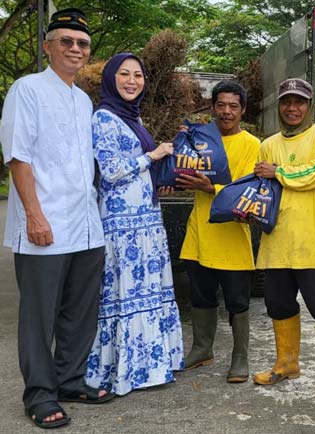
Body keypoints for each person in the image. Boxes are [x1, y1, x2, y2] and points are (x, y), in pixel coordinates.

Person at [0, 8, 114, 429]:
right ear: (48, 46)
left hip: (85, 225)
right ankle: (41, 393)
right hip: (44, 226)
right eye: (65, 41)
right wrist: (34, 215)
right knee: (39, 315)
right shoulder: (26, 90)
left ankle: (70, 379)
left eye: (82, 43)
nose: (75, 48)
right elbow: (17, 156)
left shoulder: (83, 100)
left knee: (79, 311)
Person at [84, 53, 184, 395]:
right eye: (124, 74)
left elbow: (136, 172)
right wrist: (151, 156)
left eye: (137, 75)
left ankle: (149, 368)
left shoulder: (133, 118)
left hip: (146, 220)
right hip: (121, 225)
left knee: (146, 291)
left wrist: (160, 174)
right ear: (111, 78)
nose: (131, 80)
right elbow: (111, 171)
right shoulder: (103, 118)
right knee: (124, 294)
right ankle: (121, 372)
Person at [252, 78, 315, 399]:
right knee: (278, 304)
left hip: (312, 241)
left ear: (309, 106)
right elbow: (260, 188)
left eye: (300, 102)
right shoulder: (268, 143)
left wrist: (277, 171)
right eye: (287, 102)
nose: (293, 108)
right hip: (276, 240)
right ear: (279, 105)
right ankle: (286, 362)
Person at [177, 81, 260, 383]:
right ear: (212, 107)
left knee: (237, 301)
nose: (226, 111)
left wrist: (210, 187)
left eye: (233, 106)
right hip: (200, 232)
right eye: (221, 105)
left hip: (232, 235)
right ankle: (202, 348)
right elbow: (181, 167)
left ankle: (240, 356)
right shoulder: (200, 136)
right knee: (201, 296)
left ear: (243, 110)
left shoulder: (252, 145)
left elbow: (248, 191)